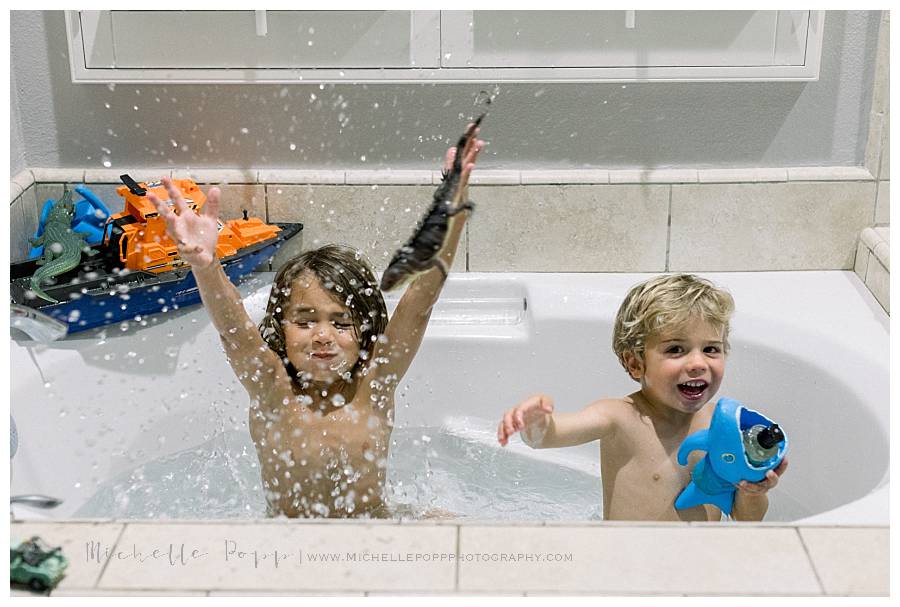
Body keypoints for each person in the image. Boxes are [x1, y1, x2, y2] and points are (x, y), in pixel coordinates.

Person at [149, 129, 483, 518]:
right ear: (281, 325)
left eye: (342, 324)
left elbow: (420, 302)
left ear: (367, 332)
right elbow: (234, 332)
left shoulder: (375, 383)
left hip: (373, 533)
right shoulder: (273, 387)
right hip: (292, 544)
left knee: (449, 526)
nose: (323, 336)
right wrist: (206, 268)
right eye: (306, 321)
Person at [496, 273, 788, 522]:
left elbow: (745, 518)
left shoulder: (723, 427)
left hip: (696, 566)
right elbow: (549, 437)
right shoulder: (619, 416)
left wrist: (754, 492)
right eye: (676, 349)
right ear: (635, 364)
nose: (698, 363)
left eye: (711, 349)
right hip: (625, 566)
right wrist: (536, 422)